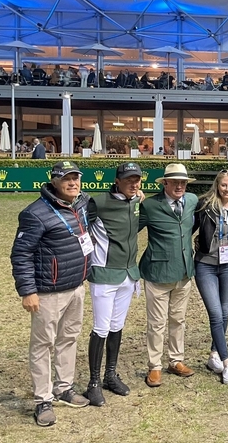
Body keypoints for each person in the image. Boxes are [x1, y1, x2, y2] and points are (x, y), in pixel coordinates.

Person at [11, 161, 92, 426]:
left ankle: (63, 388)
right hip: (47, 293)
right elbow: (21, 254)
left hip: (76, 286)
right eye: (67, 179)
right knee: (43, 345)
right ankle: (42, 399)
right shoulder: (35, 213)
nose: (73, 183)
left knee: (68, 338)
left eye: (76, 178)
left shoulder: (81, 204)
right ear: (54, 182)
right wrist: (27, 290)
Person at [83, 163, 143, 406]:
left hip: (128, 275)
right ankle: (93, 383)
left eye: (137, 179)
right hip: (105, 275)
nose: (134, 184)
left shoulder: (136, 201)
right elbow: (80, 225)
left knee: (117, 326)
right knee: (101, 328)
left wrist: (138, 195)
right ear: (117, 181)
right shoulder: (99, 202)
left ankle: (110, 375)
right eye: (129, 179)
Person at [139, 163, 199, 387]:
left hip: (184, 272)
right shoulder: (150, 205)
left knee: (179, 320)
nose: (180, 186)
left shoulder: (192, 201)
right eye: (175, 182)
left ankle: (176, 360)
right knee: (156, 323)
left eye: (183, 182)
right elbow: (130, 227)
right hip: (157, 272)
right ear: (165, 183)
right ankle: (154, 366)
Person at [193, 169, 228, 385]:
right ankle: (227, 363)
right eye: (224, 185)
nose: (227, 189)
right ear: (217, 185)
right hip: (205, 264)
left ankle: (214, 353)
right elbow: (188, 227)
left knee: (224, 312)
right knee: (215, 313)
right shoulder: (204, 204)